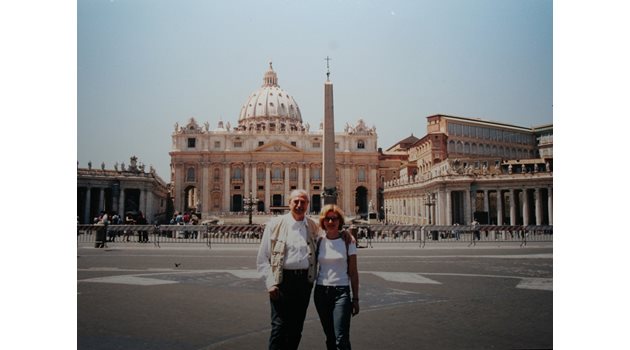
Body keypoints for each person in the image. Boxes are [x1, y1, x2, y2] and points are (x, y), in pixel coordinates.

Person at [256, 189, 320, 350]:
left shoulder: (313, 226)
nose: (299, 205)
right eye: (296, 202)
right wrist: (270, 283)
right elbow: (262, 258)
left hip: (304, 282)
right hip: (281, 281)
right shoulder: (274, 225)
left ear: (308, 204)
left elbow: (331, 235)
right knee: (279, 327)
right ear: (289, 203)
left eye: (303, 202)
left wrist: (347, 235)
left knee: (296, 328)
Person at [314, 204, 359, 350]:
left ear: (340, 221)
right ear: (323, 221)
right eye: (327, 219)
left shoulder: (348, 241)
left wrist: (356, 298)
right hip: (321, 291)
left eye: (334, 218)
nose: (331, 222)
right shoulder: (318, 241)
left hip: (341, 292)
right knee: (330, 337)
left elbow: (353, 272)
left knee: (341, 338)